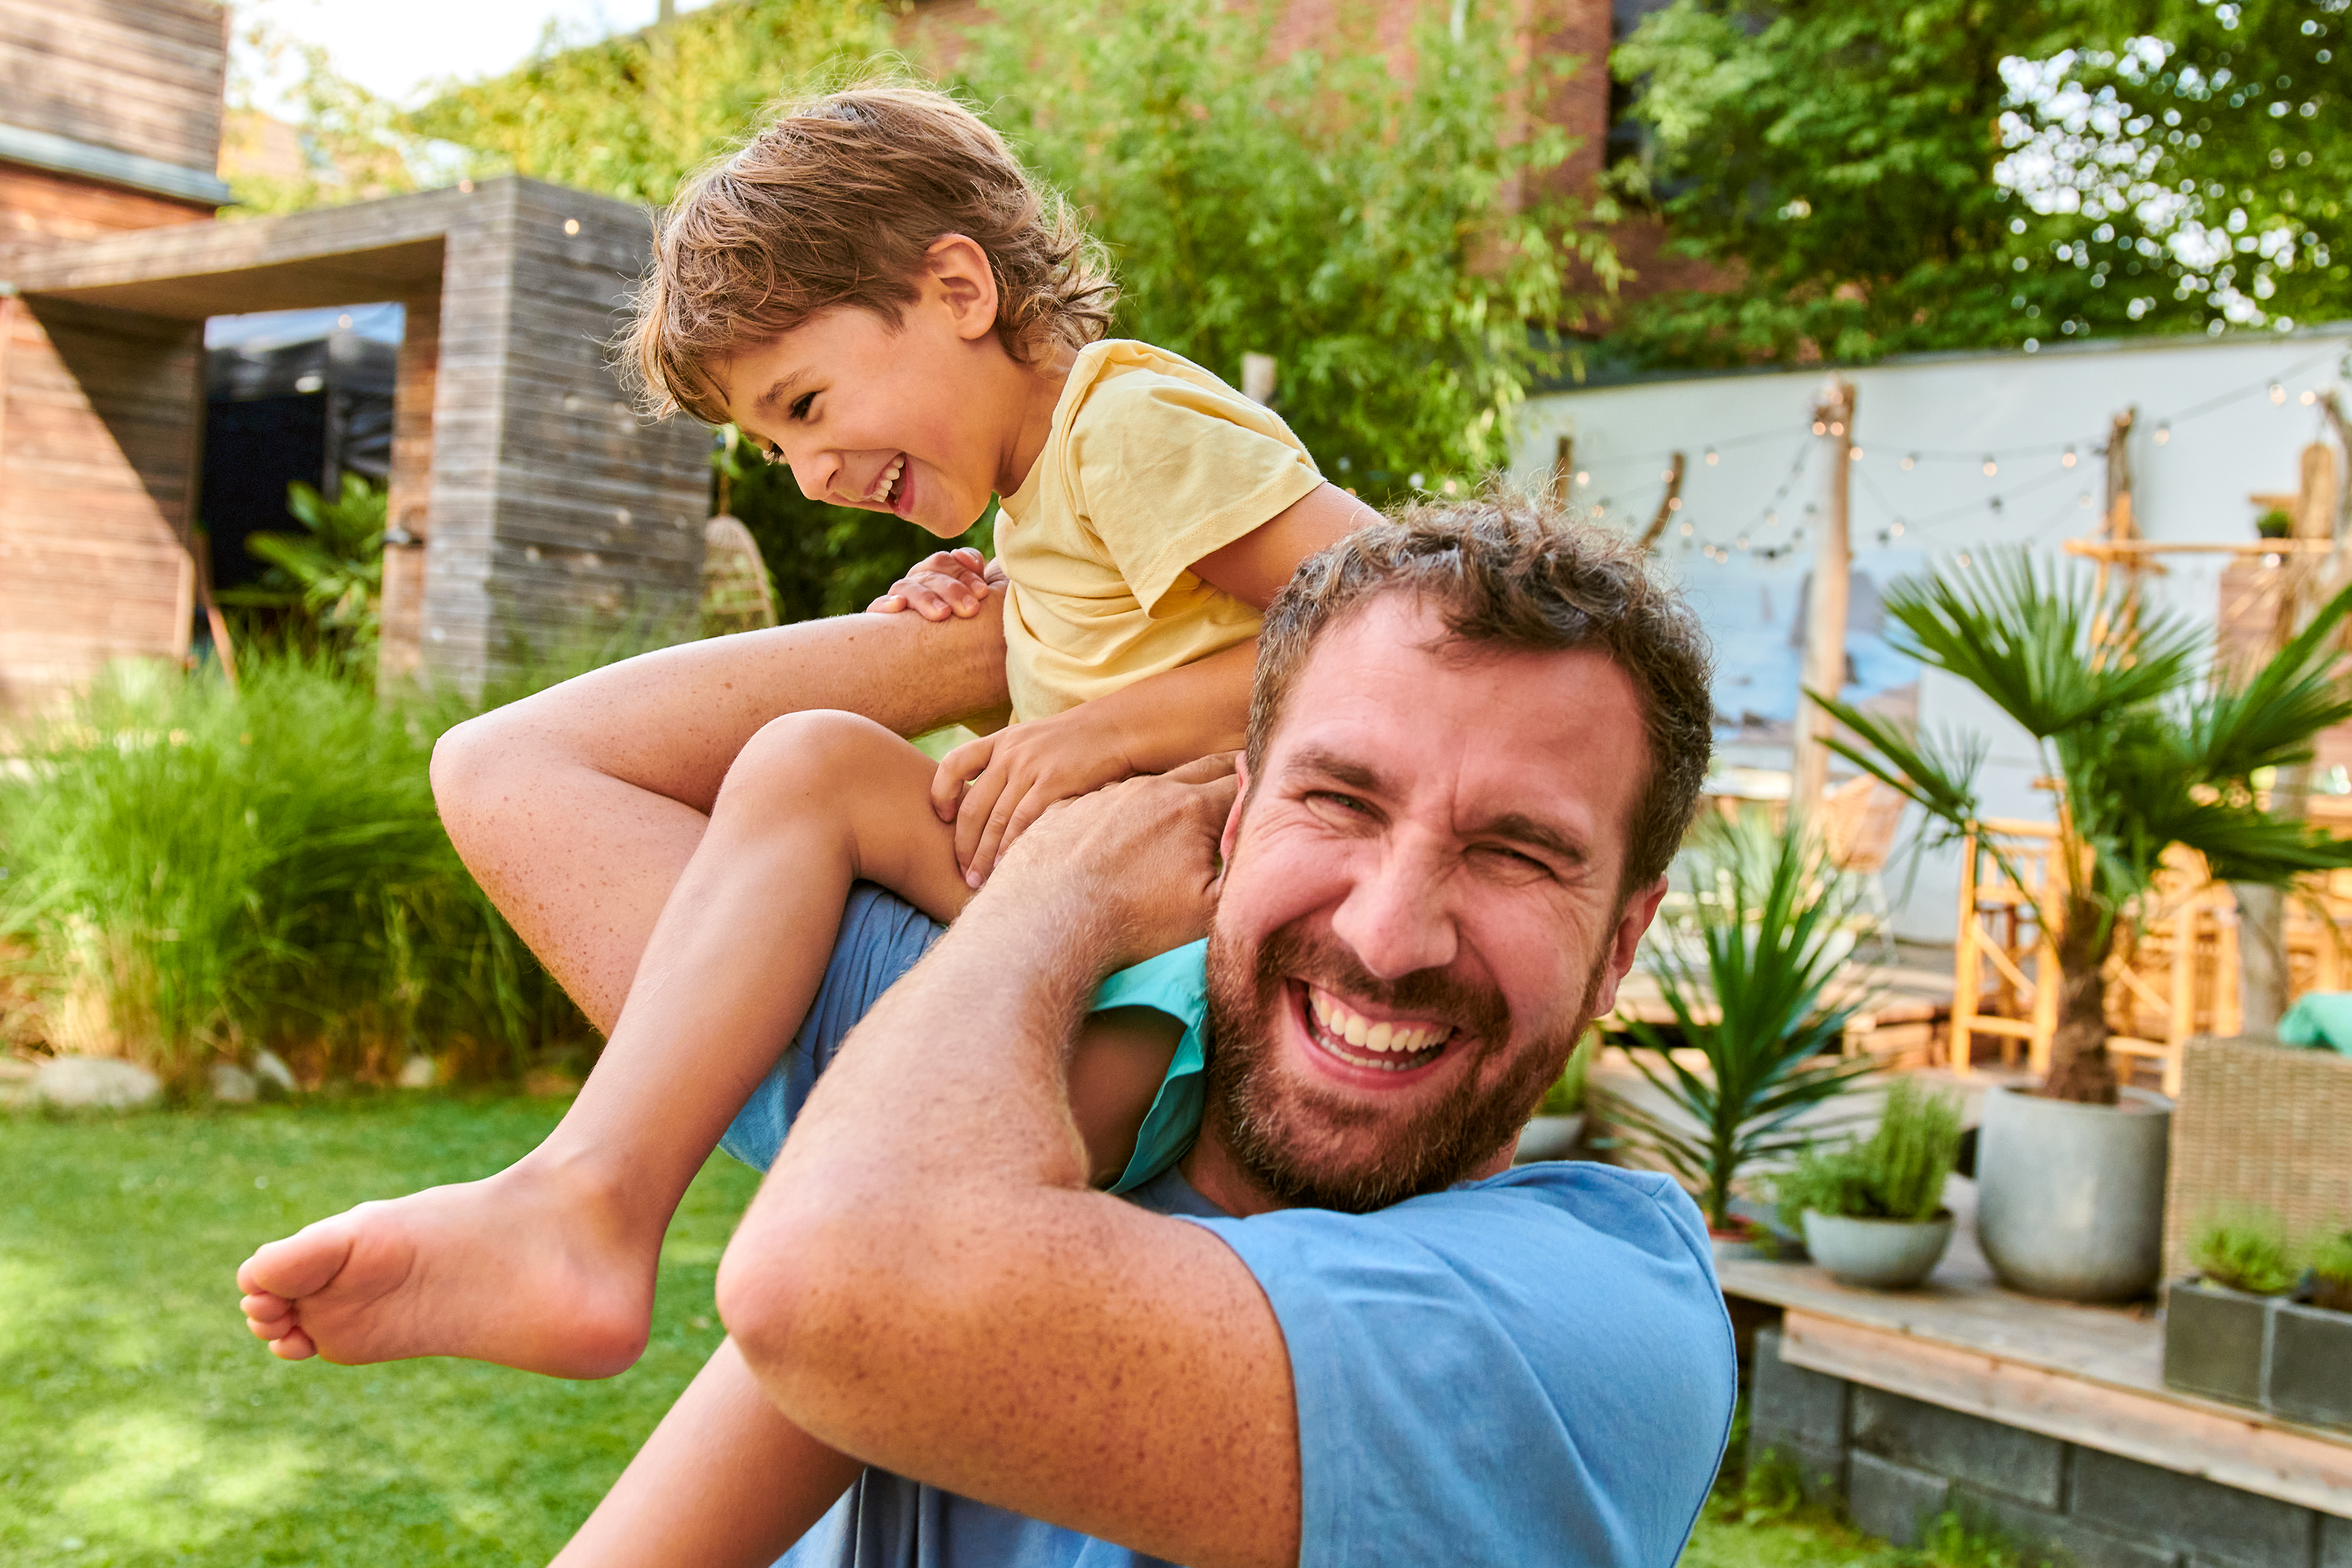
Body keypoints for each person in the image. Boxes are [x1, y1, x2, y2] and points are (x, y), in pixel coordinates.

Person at [233, 82, 1375, 1379]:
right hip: (1102, 944)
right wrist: (1016, 656)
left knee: (811, 762)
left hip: (1179, 952)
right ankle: (589, 1206)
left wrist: (1101, 735)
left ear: (959, 290)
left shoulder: (1126, 426)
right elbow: (1135, 662)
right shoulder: (1042, 501)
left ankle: (591, 1208)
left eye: (807, 406)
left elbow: (1394, 623)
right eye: (776, 447)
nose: (811, 475)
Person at [546, 500, 1740, 1568]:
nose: (1387, 939)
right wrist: (1020, 627)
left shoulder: (1596, 1330)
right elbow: (530, 770)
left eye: (1517, 853)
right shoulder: (1011, 1055)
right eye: (1339, 801)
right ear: (1230, 821)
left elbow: (828, 1290)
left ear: (1620, 945)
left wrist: (1056, 896)